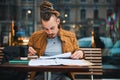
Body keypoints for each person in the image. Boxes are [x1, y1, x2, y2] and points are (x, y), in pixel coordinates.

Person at [28, 1, 84, 80]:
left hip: (63, 75)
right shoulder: (36, 36)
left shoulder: (70, 36)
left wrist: (80, 53)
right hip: (41, 75)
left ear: (58, 21)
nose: (49, 32)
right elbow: (27, 54)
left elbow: (77, 50)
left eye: (52, 28)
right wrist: (29, 51)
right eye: (46, 29)